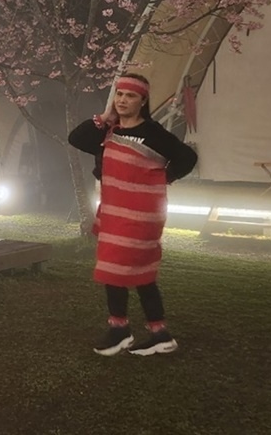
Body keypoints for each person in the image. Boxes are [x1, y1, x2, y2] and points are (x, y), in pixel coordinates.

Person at [67, 73, 198, 356]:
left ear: (143, 101)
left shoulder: (153, 133)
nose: (123, 100)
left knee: (116, 268)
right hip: (114, 213)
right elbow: (75, 138)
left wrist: (162, 178)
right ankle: (159, 334)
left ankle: (120, 331)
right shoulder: (108, 132)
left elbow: (188, 157)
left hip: (142, 216)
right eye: (120, 94)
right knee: (140, 274)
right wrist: (104, 117)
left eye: (131, 96)